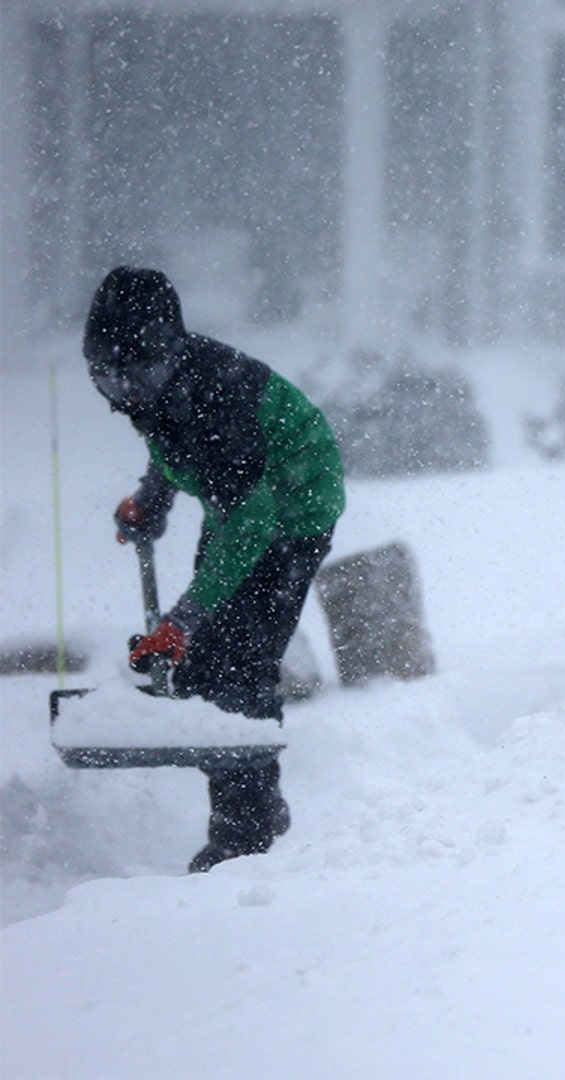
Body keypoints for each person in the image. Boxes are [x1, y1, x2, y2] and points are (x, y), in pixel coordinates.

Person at [84, 266, 346, 873]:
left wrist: (181, 619)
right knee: (204, 661)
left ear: (171, 355)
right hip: (243, 504)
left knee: (240, 664)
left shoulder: (219, 401)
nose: (127, 393)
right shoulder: (158, 392)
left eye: (138, 374)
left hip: (294, 508)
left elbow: (251, 525)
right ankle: (258, 798)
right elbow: (170, 446)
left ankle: (245, 835)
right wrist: (152, 499)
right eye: (108, 377)